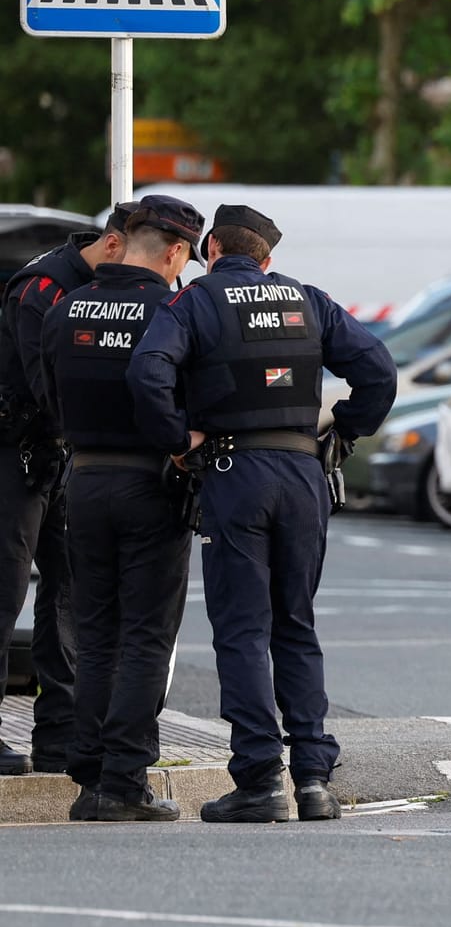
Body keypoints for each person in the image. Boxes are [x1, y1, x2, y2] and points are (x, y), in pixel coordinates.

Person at [128, 204, 397, 823]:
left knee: (243, 631)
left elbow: (148, 370)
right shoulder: (307, 300)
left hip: (233, 473)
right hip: (304, 475)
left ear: (212, 249)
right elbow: (379, 371)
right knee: (295, 626)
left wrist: (177, 441)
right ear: (267, 259)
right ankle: (313, 781)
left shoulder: (197, 301)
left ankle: (259, 779)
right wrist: (344, 433)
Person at [40, 198, 199, 821]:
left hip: (83, 481)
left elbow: (49, 392)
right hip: (152, 482)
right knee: (145, 635)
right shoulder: (172, 310)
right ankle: (124, 779)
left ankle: (89, 776)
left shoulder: (66, 307)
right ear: (177, 252)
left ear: (125, 239)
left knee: (95, 631)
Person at [0, 205, 131, 776]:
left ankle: (60, 735)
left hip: (59, 454)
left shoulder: (96, 289)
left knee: (69, 595)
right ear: (111, 244)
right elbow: (45, 383)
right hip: (15, 453)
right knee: (5, 592)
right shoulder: (44, 288)